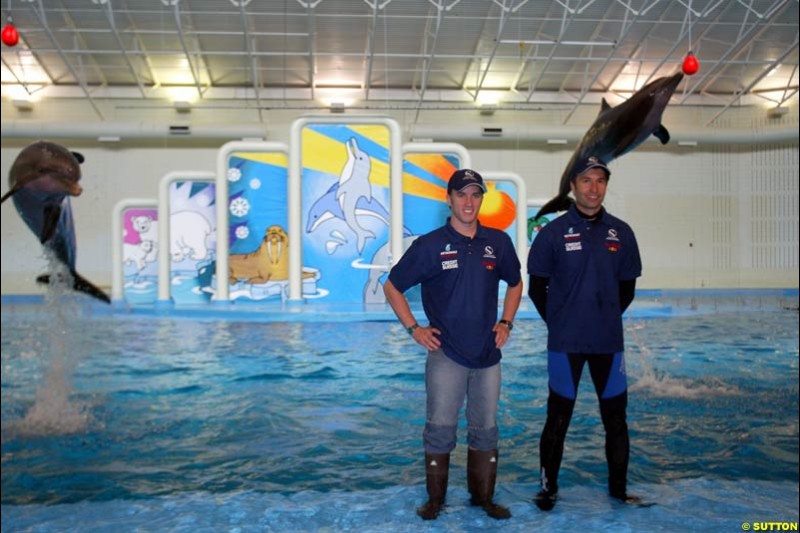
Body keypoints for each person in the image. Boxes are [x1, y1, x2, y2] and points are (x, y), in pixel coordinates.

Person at [383, 168, 523, 521]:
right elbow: (392, 286)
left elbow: (516, 283)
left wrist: (506, 321)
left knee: (486, 429)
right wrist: (414, 328)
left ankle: (483, 499)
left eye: (475, 195)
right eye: (462, 194)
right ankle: (436, 501)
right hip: (446, 355)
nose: (468, 202)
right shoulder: (429, 246)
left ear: (481, 200)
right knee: (440, 429)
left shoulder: (498, 242)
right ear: (449, 199)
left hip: (488, 356)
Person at [526, 155, 643, 510]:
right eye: (587, 181)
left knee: (616, 420)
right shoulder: (552, 233)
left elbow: (627, 289)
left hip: (609, 343)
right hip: (566, 344)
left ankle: (619, 491)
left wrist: (602, 317)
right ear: (573, 187)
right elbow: (536, 289)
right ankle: (548, 489)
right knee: (558, 418)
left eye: (600, 181)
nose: (594, 188)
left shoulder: (621, 232)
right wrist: (562, 322)